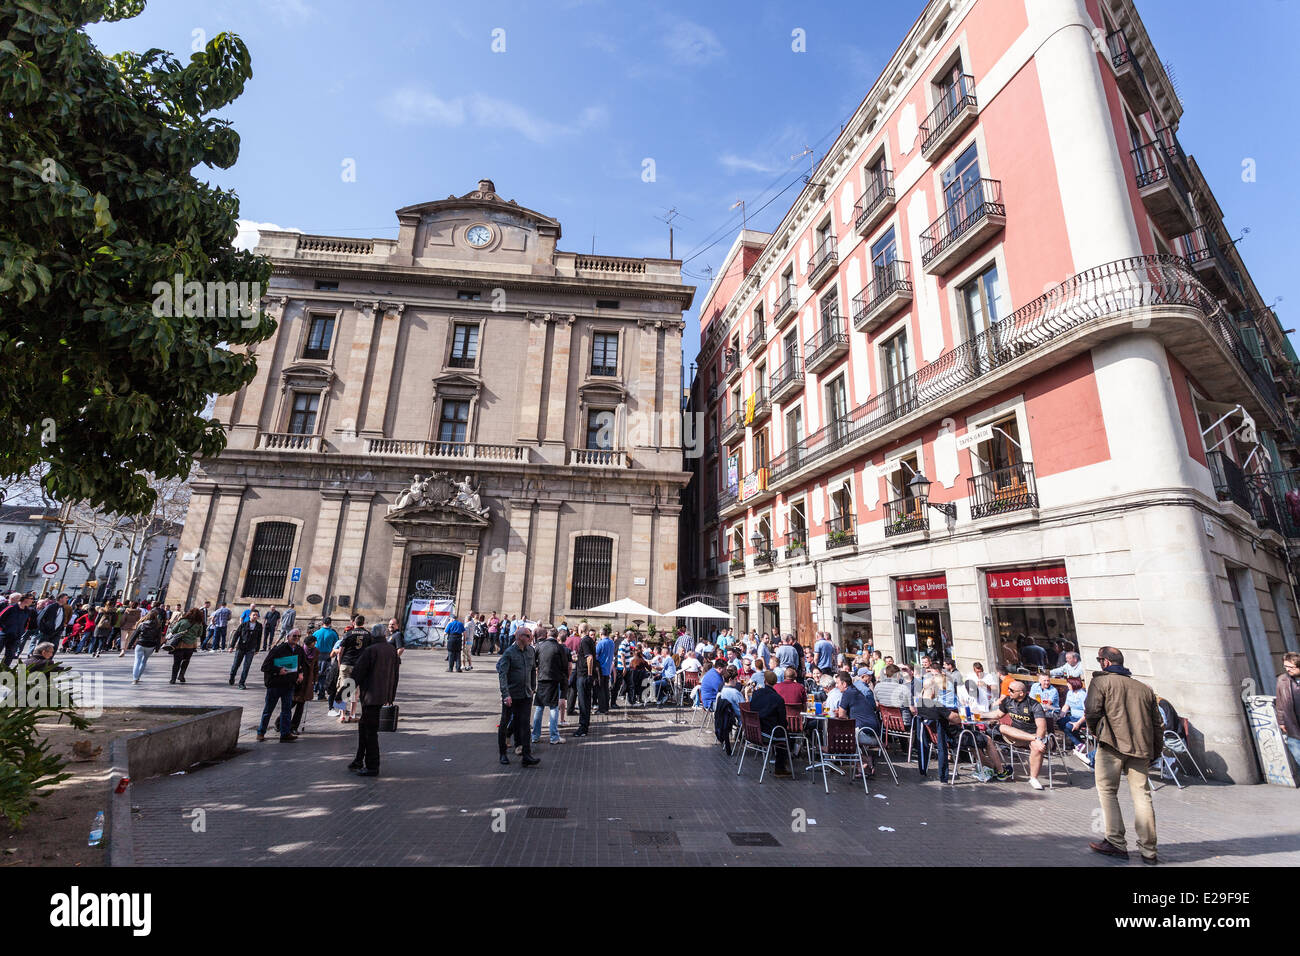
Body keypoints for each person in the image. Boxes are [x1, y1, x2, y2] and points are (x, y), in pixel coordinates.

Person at [1085, 646, 1162, 864]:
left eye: (1100, 659)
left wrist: (1097, 731)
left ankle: (1116, 842)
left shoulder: (1101, 681)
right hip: (1141, 748)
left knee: (1108, 791)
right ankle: (1149, 849)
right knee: (1142, 795)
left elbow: (1091, 711)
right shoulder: (1143, 688)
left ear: (1106, 662)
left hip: (1111, 744)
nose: (1099, 663)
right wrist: (1156, 750)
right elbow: (1157, 724)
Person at [348, 625, 400, 776]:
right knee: (364, 727)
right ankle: (358, 759)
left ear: (373, 635)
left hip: (371, 696)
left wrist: (341, 694)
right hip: (382, 695)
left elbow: (357, 674)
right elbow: (395, 675)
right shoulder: (391, 650)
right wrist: (391, 696)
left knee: (370, 732)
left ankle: (372, 766)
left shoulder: (371, 650)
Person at [497, 626, 539, 767]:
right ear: (520, 637)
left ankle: (526, 755)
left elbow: (533, 669)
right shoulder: (509, 653)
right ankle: (503, 753)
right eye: (528, 636)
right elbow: (502, 674)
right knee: (505, 723)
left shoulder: (531, 651)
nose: (531, 638)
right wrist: (505, 694)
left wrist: (533, 687)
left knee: (525, 725)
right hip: (512, 695)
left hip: (526, 694)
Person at [256, 628, 307, 742]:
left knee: (286, 710)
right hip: (275, 685)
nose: (297, 638)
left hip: (289, 685)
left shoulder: (299, 650)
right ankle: (261, 732)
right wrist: (278, 670)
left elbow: (301, 665)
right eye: (294, 636)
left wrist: (300, 674)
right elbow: (265, 667)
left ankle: (285, 734)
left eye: (299, 636)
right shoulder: (278, 649)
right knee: (268, 710)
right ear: (288, 637)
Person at [996, 680, 1049, 790]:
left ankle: (1033, 778)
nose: (1008, 692)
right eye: (1008, 689)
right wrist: (982, 716)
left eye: (1011, 690)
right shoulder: (1007, 701)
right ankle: (1034, 739)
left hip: (1035, 735)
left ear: (1021, 693)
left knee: (1036, 746)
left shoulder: (1034, 705)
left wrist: (1038, 739)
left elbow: (1042, 727)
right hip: (1018, 736)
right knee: (1002, 727)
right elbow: (997, 714)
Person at [833, 670, 881, 775]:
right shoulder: (854, 690)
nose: (836, 686)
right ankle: (862, 766)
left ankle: (866, 760)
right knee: (845, 734)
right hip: (873, 732)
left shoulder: (848, 693)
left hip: (868, 734)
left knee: (840, 737)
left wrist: (841, 713)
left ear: (844, 684)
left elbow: (841, 715)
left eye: (837, 683)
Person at [748, 671, 792, 777]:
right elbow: (782, 721)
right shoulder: (778, 699)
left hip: (753, 731)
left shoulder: (756, 694)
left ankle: (781, 765)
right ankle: (780, 767)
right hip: (768, 734)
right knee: (785, 735)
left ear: (764, 681)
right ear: (775, 683)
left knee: (781, 732)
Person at [532, 627, 568, 746]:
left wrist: (538, 669)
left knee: (539, 707)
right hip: (554, 680)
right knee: (553, 708)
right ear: (557, 636)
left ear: (547, 635)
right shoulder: (559, 647)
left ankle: (535, 735)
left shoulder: (540, 646)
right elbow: (564, 665)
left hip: (542, 679)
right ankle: (554, 737)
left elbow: (534, 662)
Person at [334, 616, 368, 722]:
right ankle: (352, 715)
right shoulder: (368, 635)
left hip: (346, 663)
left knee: (343, 689)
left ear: (354, 623)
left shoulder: (348, 634)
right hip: (359, 666)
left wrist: (340, 664)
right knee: (355, 691)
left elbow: (340, 651)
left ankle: (342, 715)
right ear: (364, 623)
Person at [165, 607, 205, 684]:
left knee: (176, 662)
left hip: (179, 645)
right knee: (186, 661)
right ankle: (181, 675)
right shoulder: (199, 624)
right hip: (190, 646)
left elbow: (173, 630)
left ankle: (173, 679)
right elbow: (199, 634)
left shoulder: (182, 621)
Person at [291, 633, 320, 735]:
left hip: (308, 681)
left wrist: (315, 678)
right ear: (309, 643)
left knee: (301, 705)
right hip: (298, 680)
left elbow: (316, 666)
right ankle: (279, 722)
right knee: (291, 703)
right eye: (314, 643)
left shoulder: (316, 651)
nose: (315, 644)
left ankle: (294, 726)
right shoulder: (299, 650)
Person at [228, 610, 264, 689]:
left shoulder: (259, 626)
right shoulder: (243, 624)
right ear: (250, 616)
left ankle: (242, 683)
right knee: (236, 665)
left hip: (251, 649)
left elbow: (259, 638)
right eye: (254, 615)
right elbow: (236, 635)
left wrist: (257, 649)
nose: (255, 616)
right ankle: (232, 676)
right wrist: (231, 646)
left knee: (246, 666)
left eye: (257, 615)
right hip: (241, 647)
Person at [573, 625, 597, 738]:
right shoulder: (590, 641)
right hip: (585, 675)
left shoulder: (585, 641)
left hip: (583, 675)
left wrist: (589, 674)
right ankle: (585, 726)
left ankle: (583, 727)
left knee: (583, 702)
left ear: (581, 630)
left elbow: (590, 658)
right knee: (586, 702)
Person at [1277, 653, 1300, 772]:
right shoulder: (1282, 679)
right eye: (1286, 666)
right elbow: (1280, 703)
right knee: (1298, 755)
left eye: (1291, 667)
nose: (1287, 669)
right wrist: (1281, 721)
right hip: (1292, 725)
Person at [130, 607, 166, 683]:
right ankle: (138, 677)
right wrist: (157, 648)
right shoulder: (158, 625)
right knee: (144, 661)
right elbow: (158, 638)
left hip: (141, 644)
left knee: (137, 661)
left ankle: (135, 678)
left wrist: (129, 645)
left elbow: (135, 635)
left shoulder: (142, 624)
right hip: (150, 645)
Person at [0, 592, 32, 669]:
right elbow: (0, 617)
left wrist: (22, 631)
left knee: (10, 655)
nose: (32, 601)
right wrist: (3, 629)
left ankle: (3, 671)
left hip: (16, 636)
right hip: (4, 634)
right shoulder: (11, 608)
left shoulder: (27, 610)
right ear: (25, 599)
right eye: (31, 599)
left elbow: (26, 623)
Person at [1058, 677, 1089, 756]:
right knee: (1060, 722)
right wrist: (1061, 715)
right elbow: (1066, 705)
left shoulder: (1082, 694)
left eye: (1068, 683)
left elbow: (1087, 712)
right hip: (1073, 716)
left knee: (1068, 725)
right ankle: (1079, 743)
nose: (1067, 685)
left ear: (1073, 684)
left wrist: (1078, 723)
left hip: (1083, 718)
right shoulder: (1070, 692)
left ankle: (1078, 743)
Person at [312, 617, 339, 698]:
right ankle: (321, 693)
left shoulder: (316, 632)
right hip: (327, 655)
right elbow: (336, 645)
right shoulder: (333, 633)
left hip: (317, 654)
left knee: (316, 672)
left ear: (322, 622)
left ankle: (315, 689)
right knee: (324, 675)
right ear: (330, 623)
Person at [594, 629, 615, 714]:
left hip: (601, 669)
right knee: (606, 689)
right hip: (608, 668)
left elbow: (595, 655)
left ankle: (601, 709)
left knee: (600, 689)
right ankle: (606, 707)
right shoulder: (612, 643)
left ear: (600, 634)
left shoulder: (601, 643)